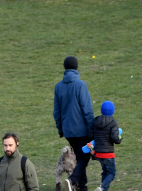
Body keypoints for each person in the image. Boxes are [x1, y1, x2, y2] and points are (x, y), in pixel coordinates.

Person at [54, 56, 94, 191]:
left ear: (65, 68)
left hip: (68, 131)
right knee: (84, 157)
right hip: (82, 130)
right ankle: (74, 181)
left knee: (79, 155)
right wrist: (91, 130)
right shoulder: (81, 85)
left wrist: (60, 129)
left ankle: (81, 186)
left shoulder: (58, 86)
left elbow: (56, 111)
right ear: (76, 67)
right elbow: (87, 110)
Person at [87, 101, 122, 191]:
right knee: (111, 173)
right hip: (108, 153)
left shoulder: (95, 121)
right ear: (112, 111)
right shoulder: (113, 122)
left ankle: (103, 189)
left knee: (105, 172)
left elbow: (91, 135)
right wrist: (119, 139)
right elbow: (115, 138)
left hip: (98, 153)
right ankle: (102, 188)